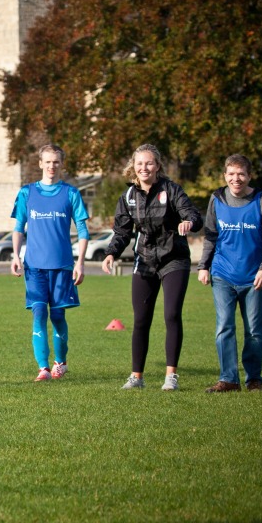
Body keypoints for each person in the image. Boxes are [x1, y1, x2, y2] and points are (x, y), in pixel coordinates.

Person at [101, 144, 202, 391]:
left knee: (171, 315)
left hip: (173, 259)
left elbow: (193, 215)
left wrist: (188, 221)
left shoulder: (171, 190)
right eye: (139, 163)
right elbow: (122, 232)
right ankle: (137, 377)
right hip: (144, 261)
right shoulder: (128, 197)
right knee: (141, 320)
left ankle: (171, 377)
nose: (144, 168)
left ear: (157, 166)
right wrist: (111, 252)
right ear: (133, 167)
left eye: (149, 163)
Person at [198, 155, 262, 392]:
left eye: (241, 174)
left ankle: (254, 379)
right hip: (223, 274)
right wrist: (204, 266)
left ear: (249, 176)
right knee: (224, 326)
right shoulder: (217, 199)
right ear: (225, 175)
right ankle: (228, 379)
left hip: (254, 277)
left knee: (254, 331)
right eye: (231, 174)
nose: (236, 179)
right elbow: (211, 235)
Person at [9, 144, 90, 381]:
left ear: (61, 164)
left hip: (62, 266)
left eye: (56, 162)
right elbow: (18, 227)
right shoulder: (27, 193)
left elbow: (83, 231)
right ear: (40, 164)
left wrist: (80, 262)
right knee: (37, 314)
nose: (51, 166)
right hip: (34, 266)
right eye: (47, 161)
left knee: (57, 316)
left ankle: (60, 363)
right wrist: (16, 255)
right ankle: (43, 368)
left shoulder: (71, 193)